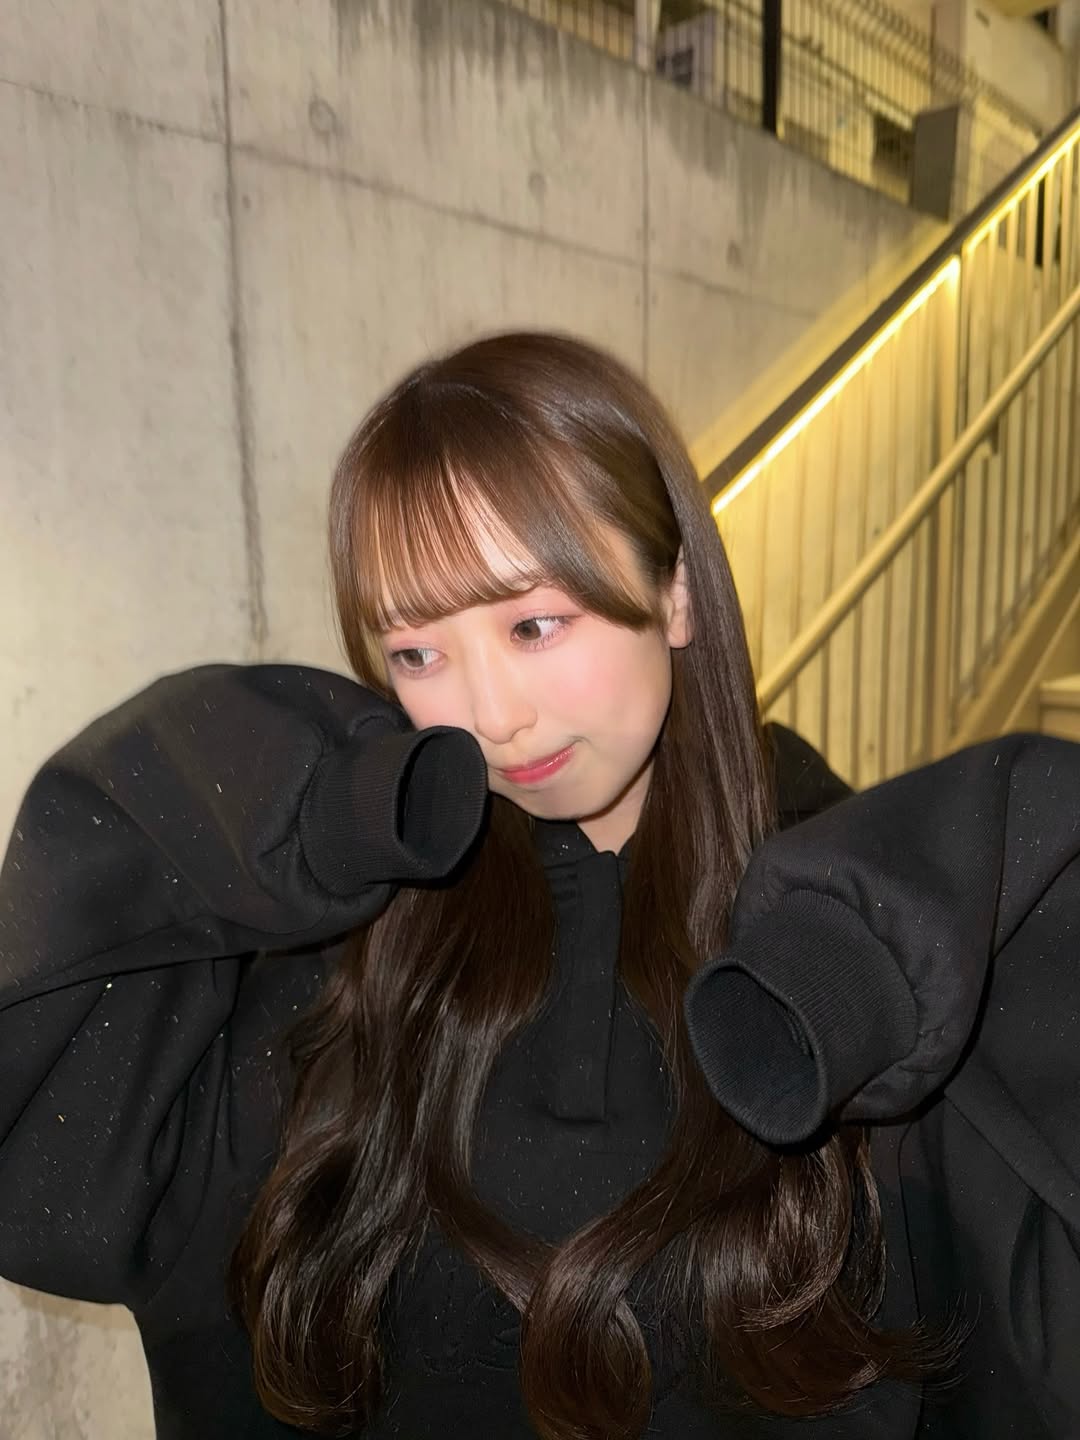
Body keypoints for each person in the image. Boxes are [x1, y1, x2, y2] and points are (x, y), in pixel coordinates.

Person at [0, 332, 1076, 1440]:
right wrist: (319, 802)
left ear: (675, 593)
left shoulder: (854, 961)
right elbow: (62, 1104)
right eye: (417, 654)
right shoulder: (346, 973)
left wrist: (921, 913)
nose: (492, 716)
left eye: (534, 624)